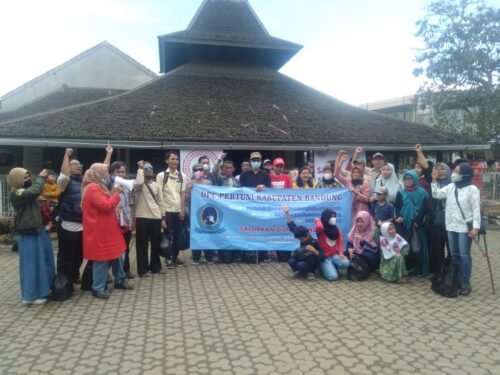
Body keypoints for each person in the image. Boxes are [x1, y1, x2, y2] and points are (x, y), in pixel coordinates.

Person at [57, 146, 113, 284]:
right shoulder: (65, 183)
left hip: (85, 225)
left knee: (80, 254)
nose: (78, 166)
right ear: (68, 166)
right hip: (69, 224)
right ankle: (64, 282)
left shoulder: (87, 182)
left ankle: (74, 276)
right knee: (66, 256)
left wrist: (109, 154)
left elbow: (102, 171)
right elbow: (63, 175)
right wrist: (66, 156)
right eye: (74, 164)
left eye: (80, 164)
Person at [81, 163, 132, 300]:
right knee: (101, 259)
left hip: (109, 229)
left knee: (119, 254)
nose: (108, 174)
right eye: (105, 171)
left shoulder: (100, 186)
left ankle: (119, 280)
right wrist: (116, 194)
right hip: (100, 231)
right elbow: (105, 206)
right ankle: (97, 288)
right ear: (97, 173)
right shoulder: (92, 188)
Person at [431, 163, 481, 296]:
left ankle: (465, 283)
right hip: (451, 226)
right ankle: (455, 279)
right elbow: (436, 194)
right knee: (454, 255)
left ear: (465, 174)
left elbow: (476, 210)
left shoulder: (472, 189)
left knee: (464, 255)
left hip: (465, 228)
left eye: (458, 172)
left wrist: (475, 228)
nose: (454, 173)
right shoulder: (451, 187)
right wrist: (434, 180)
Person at [8, 167, 55, 305]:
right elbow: (32, 192)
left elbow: (33, 194)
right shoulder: (15, 192)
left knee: (39, 263)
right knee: (30, 265)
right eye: (25, 177)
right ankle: (28, 296)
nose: (28, 179)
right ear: (16, 179)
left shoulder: (24, 192)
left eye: (29, 177)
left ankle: (40, 292)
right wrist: (40, 177)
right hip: (27, 234)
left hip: (36, 231)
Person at [395, 170, 430, 276]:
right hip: (404, 224)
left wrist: (417, 222)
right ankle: (407, 269)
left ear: (415, 179)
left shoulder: (422, 192)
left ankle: (418, 269)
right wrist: (399, 217)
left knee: (417, 247)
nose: (408, 181)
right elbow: (397, 207)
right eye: (406, 178)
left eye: (410, 178)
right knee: (405, 246)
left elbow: (425, 209)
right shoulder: (400, 192)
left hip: (416, 224)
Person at [134, 161, 166, 277]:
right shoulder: (138, 184)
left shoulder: (156, 185)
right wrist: (140, 169)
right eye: (146, 168)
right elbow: (139, 182)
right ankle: (142, 270)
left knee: (155, 244)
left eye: (151, 168)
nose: (149, 170)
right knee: (141, 245)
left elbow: (161, 202)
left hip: (156, 217)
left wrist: (163, 218)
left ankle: (155, 267)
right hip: (142, 217)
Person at [239, 151, 272, 262]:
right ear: (250, 161)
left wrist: (264, 186)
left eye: (258, 160)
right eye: (253, 160)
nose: (256, 162)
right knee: (248, 230)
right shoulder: (244, 175)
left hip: (261, 208)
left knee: (263, 230)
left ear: (261, 161)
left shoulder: (265, 175)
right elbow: (240, 191)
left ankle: (264, 254)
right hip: (248, 208)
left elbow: (271, 191)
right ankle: (247, 254)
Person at [157, 151, 187, 268]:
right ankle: (168, 258)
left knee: (178, 235)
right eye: (173, 159)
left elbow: (183, 194)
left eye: (177, 159)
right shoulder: (161, 176)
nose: (175, 161)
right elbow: (159, 195)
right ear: (167, 161)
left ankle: (175, 257)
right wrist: (162, 214)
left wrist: (183, 210)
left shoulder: (182, 176)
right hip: (166, 210)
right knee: (167, 235)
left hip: (178, 210)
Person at [186, 163, 215, 265]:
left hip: (207, 212)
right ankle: (196, 257)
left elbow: (213, 197)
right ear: (193, 172)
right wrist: (189, 189)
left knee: (208, 234)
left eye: (200, 170)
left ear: (204, 171)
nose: (199, 172)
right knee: (196, 234)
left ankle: (208, 256)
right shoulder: (190, 183)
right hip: (194, 213)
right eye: (196, 170)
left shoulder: (208, 183)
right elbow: (187, 199)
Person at [110, 161, 135, 279]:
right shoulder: (109, 186)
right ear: (113, 173)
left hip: (126, 221)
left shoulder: (127, 185)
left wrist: (131, 221)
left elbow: (130, 205)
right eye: (118, 171)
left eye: (123, 171)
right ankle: (111, 273)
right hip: (114, 222)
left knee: (126, 247)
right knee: (114, 248)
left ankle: (125, 270)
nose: (121, 174)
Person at [283, 205, 322, 279]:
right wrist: (287, 213)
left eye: (301, 239)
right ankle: (300, 272)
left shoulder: (315, 242)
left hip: (312, 263)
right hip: (302, 258)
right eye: (299, 239)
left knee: (301, 265)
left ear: (307, 235)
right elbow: (292, 226)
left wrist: (314, 250)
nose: (300, 240)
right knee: (291, 261)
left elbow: (323, 256)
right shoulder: (300, 233)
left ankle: (311, 272)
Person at [335, 151, 370, 226]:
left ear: (360, 173)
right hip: (350, 209)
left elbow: (366, 199)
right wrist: (341, 161)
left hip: (361, 209)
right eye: (354, 172)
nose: (355, 174)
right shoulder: (348, 181)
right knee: (351, 228)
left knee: (360, 228)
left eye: (357, 172)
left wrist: (355, 192)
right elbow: (336, 175)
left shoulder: (365, 183)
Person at [428, 162, 452, 274]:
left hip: (451, 220)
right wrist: (433, 180)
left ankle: (452, 272)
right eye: (437, 169)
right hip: (436, 220)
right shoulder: (432, 183)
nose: (440, 171)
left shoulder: (453, 184)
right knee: (437, 247)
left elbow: (437, 195)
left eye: (442, 169)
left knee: (451, 247)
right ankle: (438, 271)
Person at [315, 209, 350, 281]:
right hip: (324, 257)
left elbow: (340, 241)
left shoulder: (336, 228)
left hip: (334, 255)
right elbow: (319, 227)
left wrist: (340, 253)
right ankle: (322, 268)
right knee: (333, 277)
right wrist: (318, 220)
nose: (333, 219)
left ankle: (330, 267)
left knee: (346, 262)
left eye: (334, 217)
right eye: (331, 217)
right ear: (326, 217)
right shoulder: (321, 230)